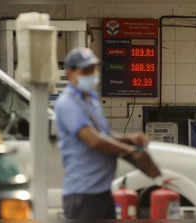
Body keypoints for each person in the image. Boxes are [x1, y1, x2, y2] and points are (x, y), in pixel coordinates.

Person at [54, 47, 149, 219]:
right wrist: (130, 151)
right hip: (83, 194)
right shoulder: (67, 103)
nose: (92, 74)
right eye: (86, 70)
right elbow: (94, 141)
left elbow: (103, 134)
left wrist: (129, 138)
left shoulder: (90, 99)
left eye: (94, 69)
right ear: (70, 73)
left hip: (102, 190)